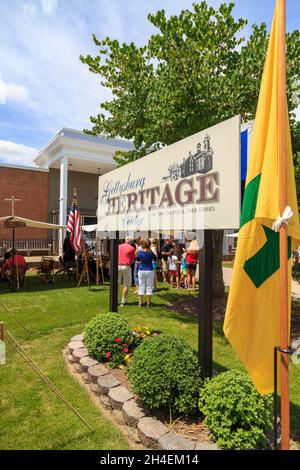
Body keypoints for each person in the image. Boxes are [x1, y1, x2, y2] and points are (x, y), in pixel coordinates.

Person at [136, 239, 157, 307]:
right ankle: (148, 303)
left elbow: (137, 259)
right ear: (149, 245)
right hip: (149, 270)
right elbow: (155, 258)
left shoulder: (140, 253)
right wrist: (150, 249)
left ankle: (140, 303)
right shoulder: (151, 253)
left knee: (141, 286)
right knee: (149, 286)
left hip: (141, 270)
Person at [118, 236, 136, 306]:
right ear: (131, 242)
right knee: (126, 284)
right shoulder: (132, 248)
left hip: (118, 265)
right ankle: (123, 301)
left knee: (117, 284)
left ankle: (115, 299)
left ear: (125, 240)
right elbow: (133, 260)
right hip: (126, 266)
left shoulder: (118, 246)